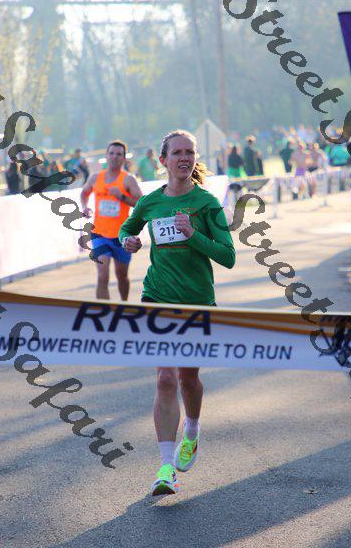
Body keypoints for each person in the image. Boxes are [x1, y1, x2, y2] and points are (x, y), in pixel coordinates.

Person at [119, 129, 235, 496]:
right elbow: (127, 227)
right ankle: (166, 467)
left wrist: (193, 235)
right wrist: (128, 241)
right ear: (163, 160)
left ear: (194, 159)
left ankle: (193, 429)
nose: (184, 158)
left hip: (197, 302)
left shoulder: (207, 203)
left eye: (190, 152)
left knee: (187, 379)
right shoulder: (151, 202)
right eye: (177, 153)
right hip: (156, 298)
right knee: (165, 378)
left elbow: (228, 256)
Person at [80, 140, 142, 301]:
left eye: (118, 154)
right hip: (99, 234)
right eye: (112, 153)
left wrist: (121, 196)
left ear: (124, 158)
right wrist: (84, 207)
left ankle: (124, 305)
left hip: (122, 236)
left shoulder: (128, 180)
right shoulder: (96, 178)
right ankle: (104, 311)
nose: (114, 157)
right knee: (102, 275)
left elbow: (141, 203)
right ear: (106, 156)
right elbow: (84, 193)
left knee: (122, 275)